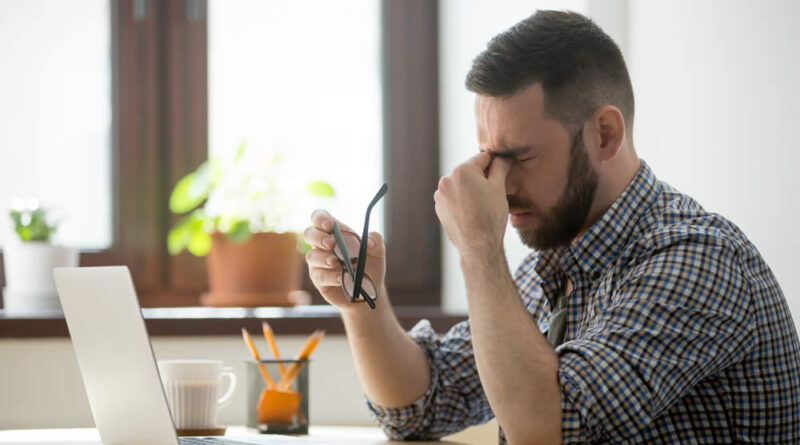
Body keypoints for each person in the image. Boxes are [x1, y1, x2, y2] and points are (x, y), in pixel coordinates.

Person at [303, 10, 800, 445]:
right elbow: (421, 406)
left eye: (519, 157)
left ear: (604, 134)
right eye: (489, 158)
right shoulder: (555, 263)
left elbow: (548, 430)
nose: (498, 184)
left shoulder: (697, 260)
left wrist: (478, 246)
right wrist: (361, 302)